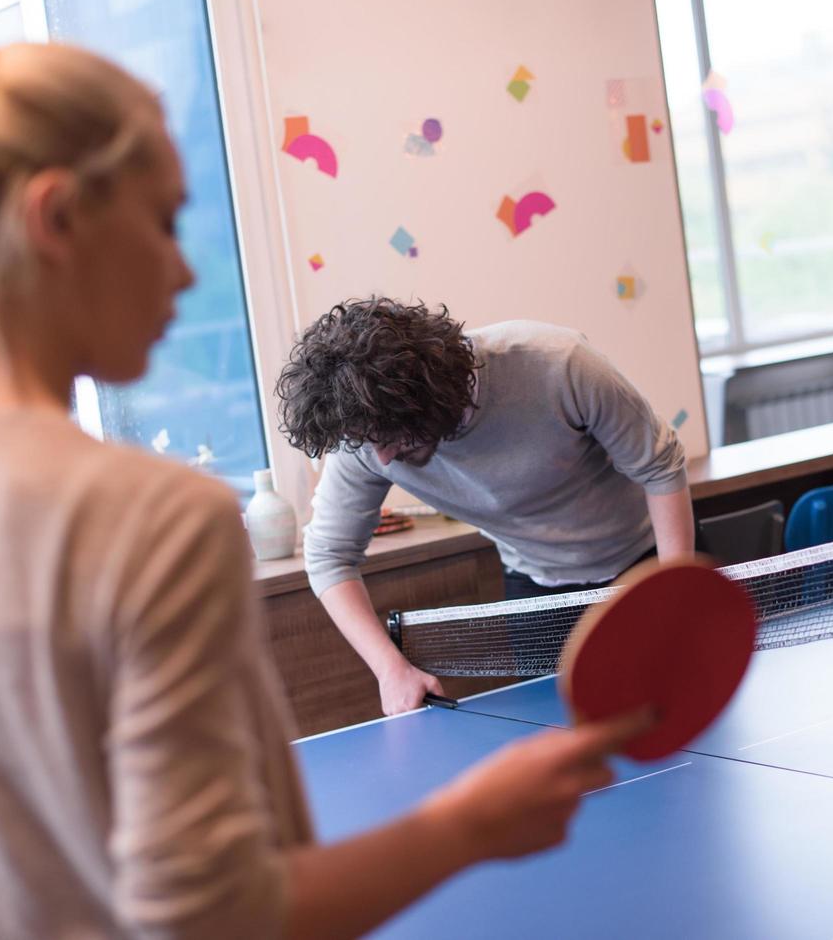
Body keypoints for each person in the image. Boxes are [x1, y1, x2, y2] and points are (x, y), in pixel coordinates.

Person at [0, 21, 648, 939]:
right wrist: (467, 824)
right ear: (55, 217)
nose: (184, 271)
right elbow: (219, 916)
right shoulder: (149, 518)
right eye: (161, 221)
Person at [276, 301, 694, 714]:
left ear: (431, 396)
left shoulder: (557, 364)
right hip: (538, 592)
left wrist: (674, 595)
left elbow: (659, 467)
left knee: (683, 715)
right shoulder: (367, 440)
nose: (381, 458)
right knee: (572, 749)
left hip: (649, 562)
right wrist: (390, 669)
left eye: (392, 438)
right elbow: (328, 556)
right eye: (367, 441)